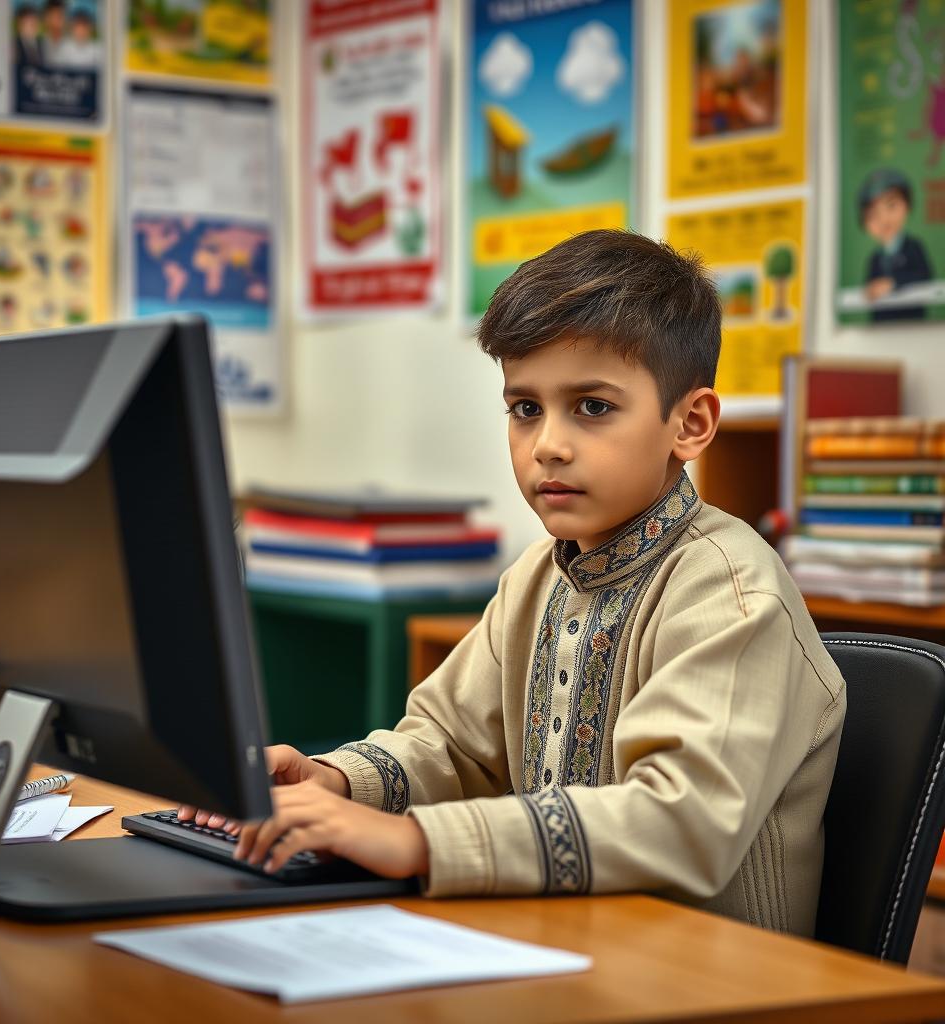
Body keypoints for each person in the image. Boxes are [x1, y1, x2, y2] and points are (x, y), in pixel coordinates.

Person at [181, 230, 846, 936]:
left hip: (716, 987)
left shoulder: (730, 592)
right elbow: (451, 746)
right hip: (561, 946)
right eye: (525, 408)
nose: (547, 444)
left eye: (592, 406)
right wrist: (338, 782)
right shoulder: (537, 577)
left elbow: (677, 819)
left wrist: (419, 842)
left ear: (690, 423)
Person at [860, 168, 934, 322]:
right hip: (882, 327)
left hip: (911, 323)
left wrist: (892, 283)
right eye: (874, 214)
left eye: (891, 206)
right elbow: (869, 286)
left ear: (906, 206)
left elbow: (924, 275)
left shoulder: (913, 247)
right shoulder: (875, 259)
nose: (884, 219)